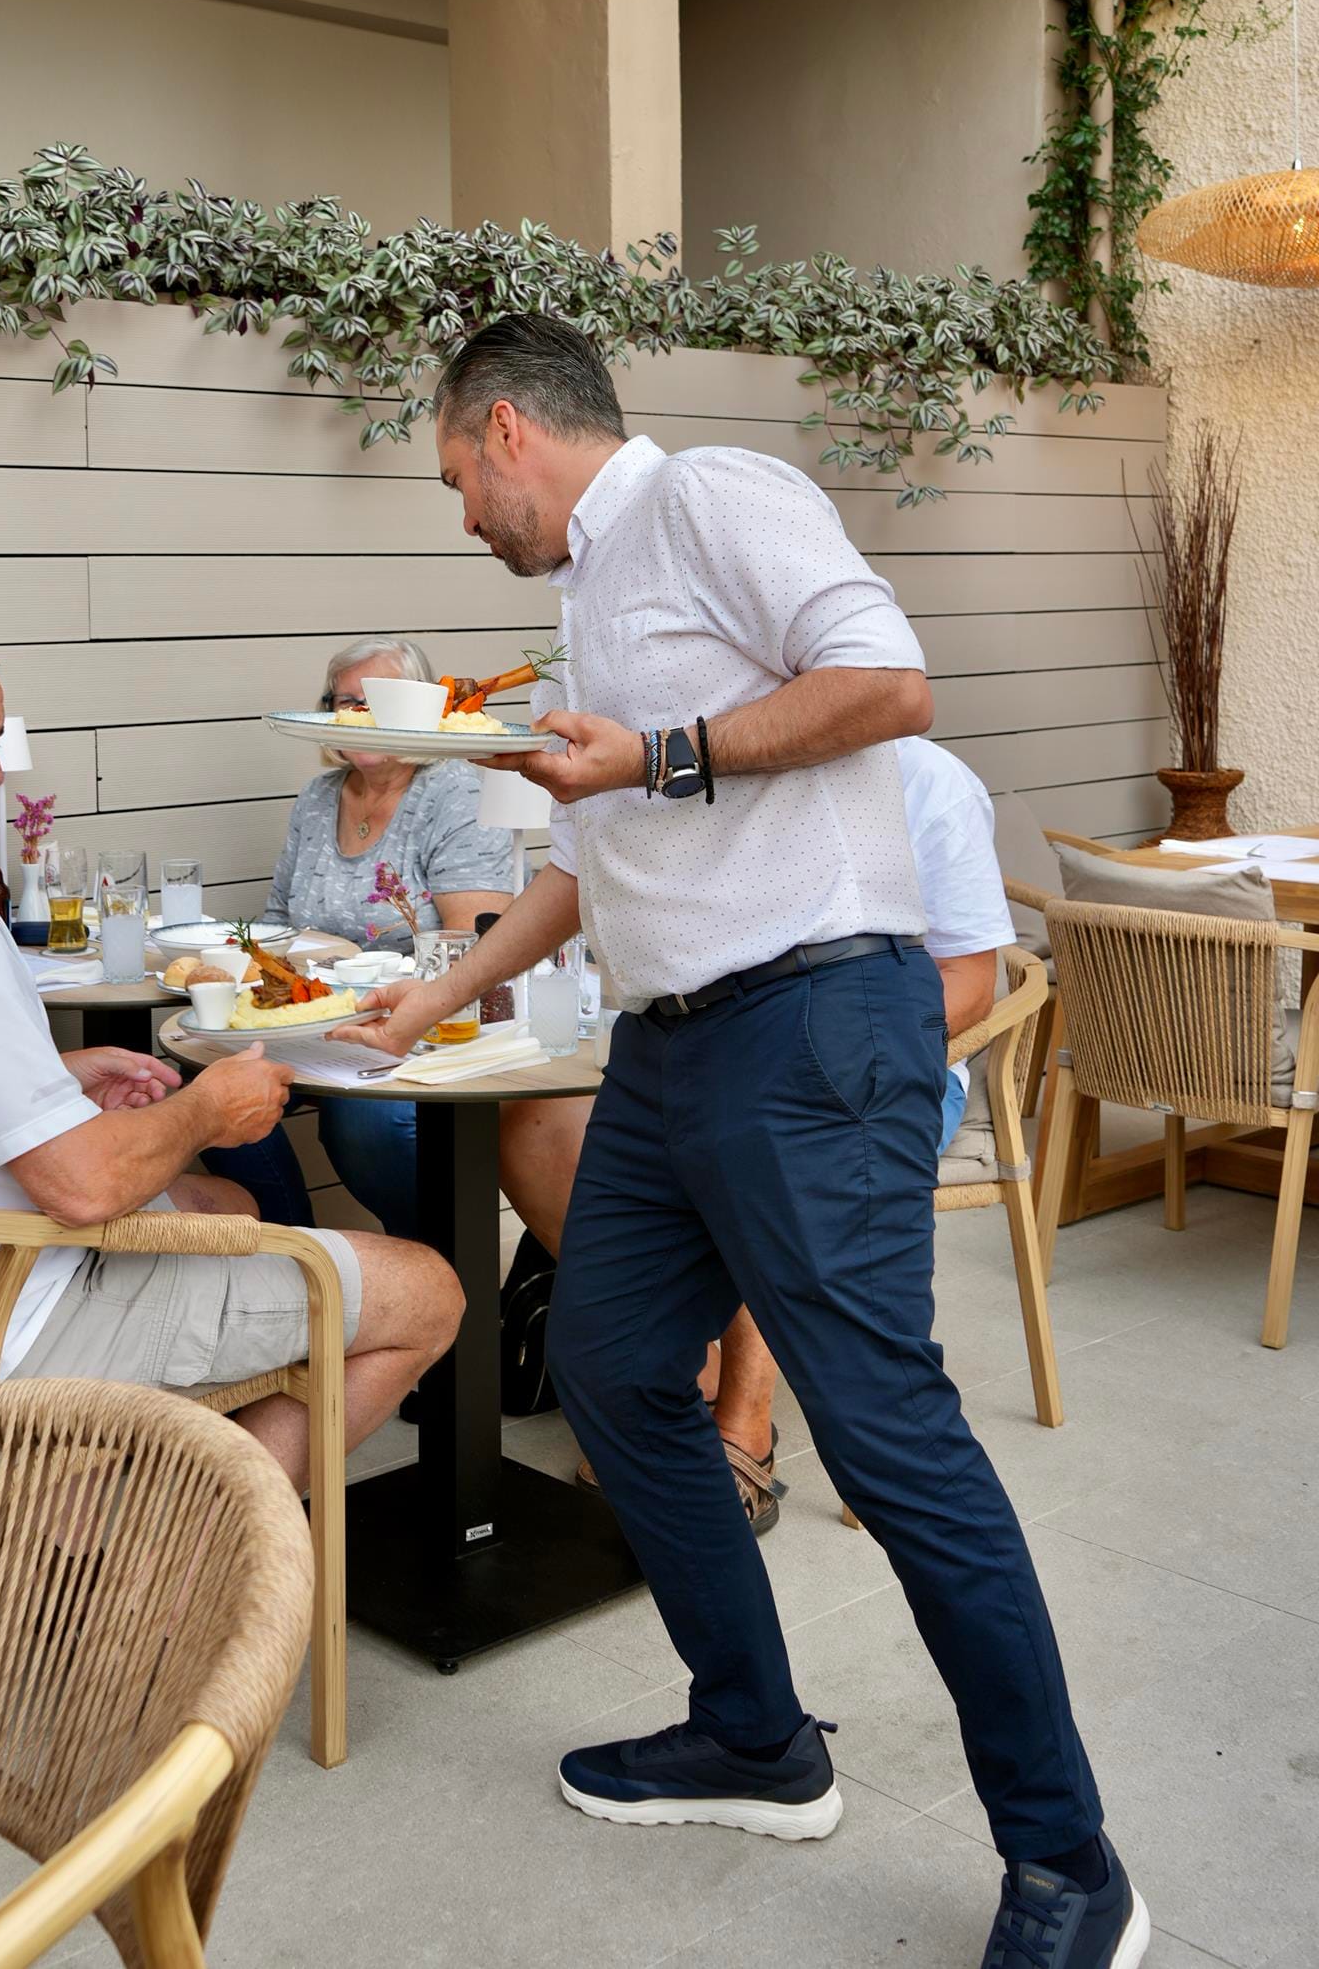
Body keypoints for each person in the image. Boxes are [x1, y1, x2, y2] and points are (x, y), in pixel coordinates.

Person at [339, 322, 1143, 1969]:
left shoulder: (707, 495)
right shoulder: (592, 595)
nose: (463, 513)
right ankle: (754, 1731)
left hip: (811, 1019)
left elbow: (891, 683)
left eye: (457, 476)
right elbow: (592, 856)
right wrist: (438, 997)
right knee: (614, 1365)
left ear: (509, 427)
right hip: (670, 1046)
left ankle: (1072, 1861)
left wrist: (659, 749)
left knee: (892, 1440)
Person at [0, 604, 463, 1491]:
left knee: (228, 1207)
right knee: (426, 1290)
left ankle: (105, 1506)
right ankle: (186, 1557)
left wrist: (55, 1073)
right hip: (1, 1330)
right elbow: (82, 1188)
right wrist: (206, 1109)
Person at [581, 730, 1020, 1530]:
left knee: (770, 1164)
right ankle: (664, 1386)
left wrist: (853, 1051)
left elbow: (971, 979)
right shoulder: (735, 770)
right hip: (724, 1057)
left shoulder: (931, 780)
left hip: (891, 1069)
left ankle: (746, 1417)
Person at [202, 634, 513, 1236]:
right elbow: (277, 926)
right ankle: (296, 1250)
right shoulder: (318, 798)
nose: (358, 715)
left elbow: (472, 941)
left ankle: (436, 1256)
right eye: (346, 702)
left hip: (422, 1021)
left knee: (365, 1123)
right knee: (208, 1093)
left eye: (377, 701)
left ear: (421, 709)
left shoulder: (454, 792)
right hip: (317, 1017)